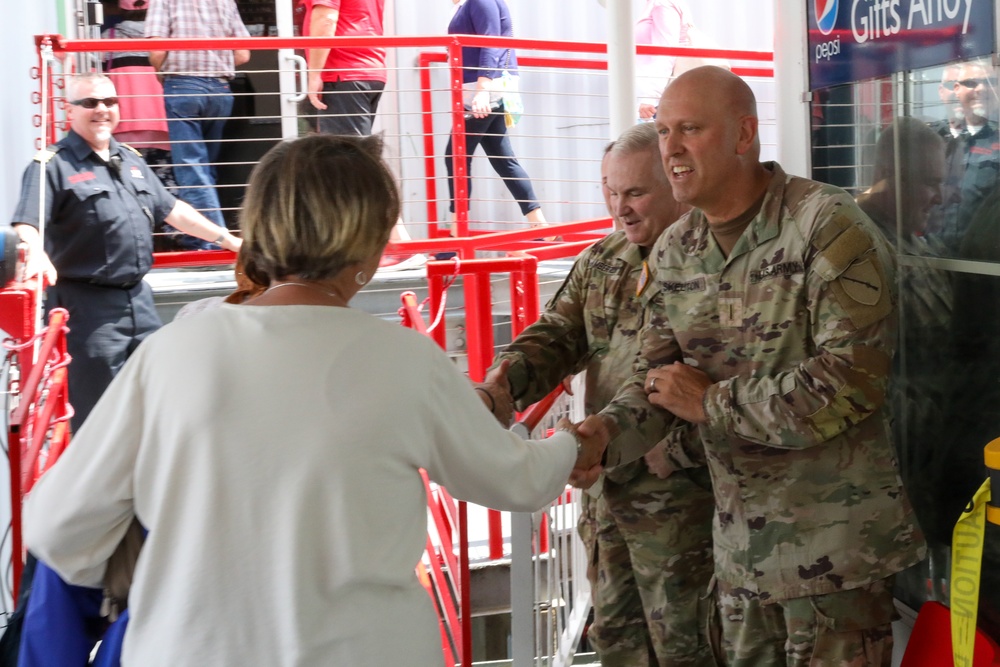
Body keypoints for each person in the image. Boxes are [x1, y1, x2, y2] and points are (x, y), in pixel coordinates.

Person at [21, 133, 603, 666]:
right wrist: (571, 443)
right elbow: (513, 478)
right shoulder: (403, 360)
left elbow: (59, 524)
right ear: (370, 246)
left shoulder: (168, 353)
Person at [574, 66, 926, 665]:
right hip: (738, 561)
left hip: (835, 561)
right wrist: (604, 436)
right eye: (663, 131)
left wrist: (711, 403)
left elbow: (851, 382)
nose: (671, 149)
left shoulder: (826, 226)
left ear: (744, 135)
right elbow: (657, 384)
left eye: (690, 129)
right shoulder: (676, 248)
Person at [7, 71, 241, 667]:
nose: (103, 110)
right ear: (70, 109)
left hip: (139, 302)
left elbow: (172, 211)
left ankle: (155, 515)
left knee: (161, 412)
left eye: (110, 101)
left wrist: (228, 240)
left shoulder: (133, 162)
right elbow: (28, 223)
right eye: (91, 103)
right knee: (100, 426)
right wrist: (31, 250)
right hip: (89, 311)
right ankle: (109, 540)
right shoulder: (51, 165)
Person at [477, 123, 715, 666]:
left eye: (635, 193)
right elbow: (559, 333)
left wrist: (602, 437)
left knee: (689, 647)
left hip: (683, 505)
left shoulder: (712, 263)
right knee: (617, 643)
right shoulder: (605, 258)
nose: (620, 208)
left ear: (676, 185)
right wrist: (502, 385)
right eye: (610, 191)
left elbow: (665, 376)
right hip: (608, 498)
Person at [144, 0, 251, 249]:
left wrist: (162, 75)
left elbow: (157, 51)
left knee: (192, 169)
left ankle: (210, 244)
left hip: (183, 86)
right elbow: (244, 53)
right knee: (203, 168)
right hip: (220, 90)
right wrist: (217, 62)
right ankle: (198, 234)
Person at [444, 0, 548, 235]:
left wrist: (482, 90)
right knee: (503, 159)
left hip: (483, 91)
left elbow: (491, 41)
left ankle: (457, 231)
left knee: (456, 156)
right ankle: (540, 225)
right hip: (482, 88)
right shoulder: (465, 4)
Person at [102, 0, 180, 251]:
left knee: (128, 186)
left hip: (124, 129)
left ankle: (135, 236)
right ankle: (175, 237)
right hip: (162, 125)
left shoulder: (108, 38)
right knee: (166, 185)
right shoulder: (165, 40)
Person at [929, 58, 999, 252]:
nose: (981, 89)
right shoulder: (931, 138)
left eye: (990, 82)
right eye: (971, 83)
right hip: (932, 260)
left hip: (983, 264)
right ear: (957, 90)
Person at [301, 0, 387, 136]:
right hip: (367, 68)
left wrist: (314, 74)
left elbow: (326, 19)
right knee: (353, 149)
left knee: (345, 152)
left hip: (343, 72)